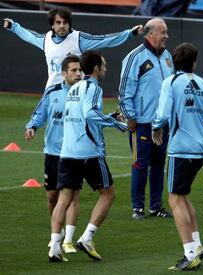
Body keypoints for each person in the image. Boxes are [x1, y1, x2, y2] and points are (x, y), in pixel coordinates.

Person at [48, 51, 127, 262]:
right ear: (96, 68)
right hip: (88, 152)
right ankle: (87, 237)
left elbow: (80, 116)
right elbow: (90, 113)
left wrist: (108, 117)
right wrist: (117, 123)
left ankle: (54, 248)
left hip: (68, 152)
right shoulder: (93, 87)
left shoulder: (74, 88)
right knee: (108, 193)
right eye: (104, 65)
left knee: (63, 200)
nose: (106, 69)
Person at [152, 42, 203, 270]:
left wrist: (156, 128)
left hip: (180, 149)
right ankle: (197, 246)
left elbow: (161, 114)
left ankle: (189, 253)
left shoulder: (170, 82)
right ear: (194, 62)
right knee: (183, 195)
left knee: (174, 198)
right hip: (201, 150)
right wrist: (200, 135)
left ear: (173, 62)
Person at [25, 54, 82, 254]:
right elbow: (40, 113)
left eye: (80, 70)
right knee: (52, 196)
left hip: (74, 152)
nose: (78, 74)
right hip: (52, 151)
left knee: (73, 195)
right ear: (64, 73)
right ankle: (56, 231)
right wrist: (32, 126)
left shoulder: (84, 92)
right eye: (74, 70)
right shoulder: (52, 92)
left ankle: (67, 239)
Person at [3, 7, 141, 88]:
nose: (62, 25)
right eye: (58, 22)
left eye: (65, 22)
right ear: (52, 25)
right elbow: (28, 35)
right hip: (51, 92)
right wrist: (13, 27)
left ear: (69, 24)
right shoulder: (45, 40)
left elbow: (105, 40)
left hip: (74, 93)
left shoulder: (79, 39)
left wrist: (130, 33)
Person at [118, 18, 174, 220]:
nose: (167, 36)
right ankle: (138, 207)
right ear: (150, 34)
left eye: (166, 32)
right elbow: (124, 92)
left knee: (159, 165)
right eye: (163, 32)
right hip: (141, 124)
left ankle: (156, 206)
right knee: (140, 164)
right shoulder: (134, 57)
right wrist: (131, 117)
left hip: (162, 124)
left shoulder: (168, 57)